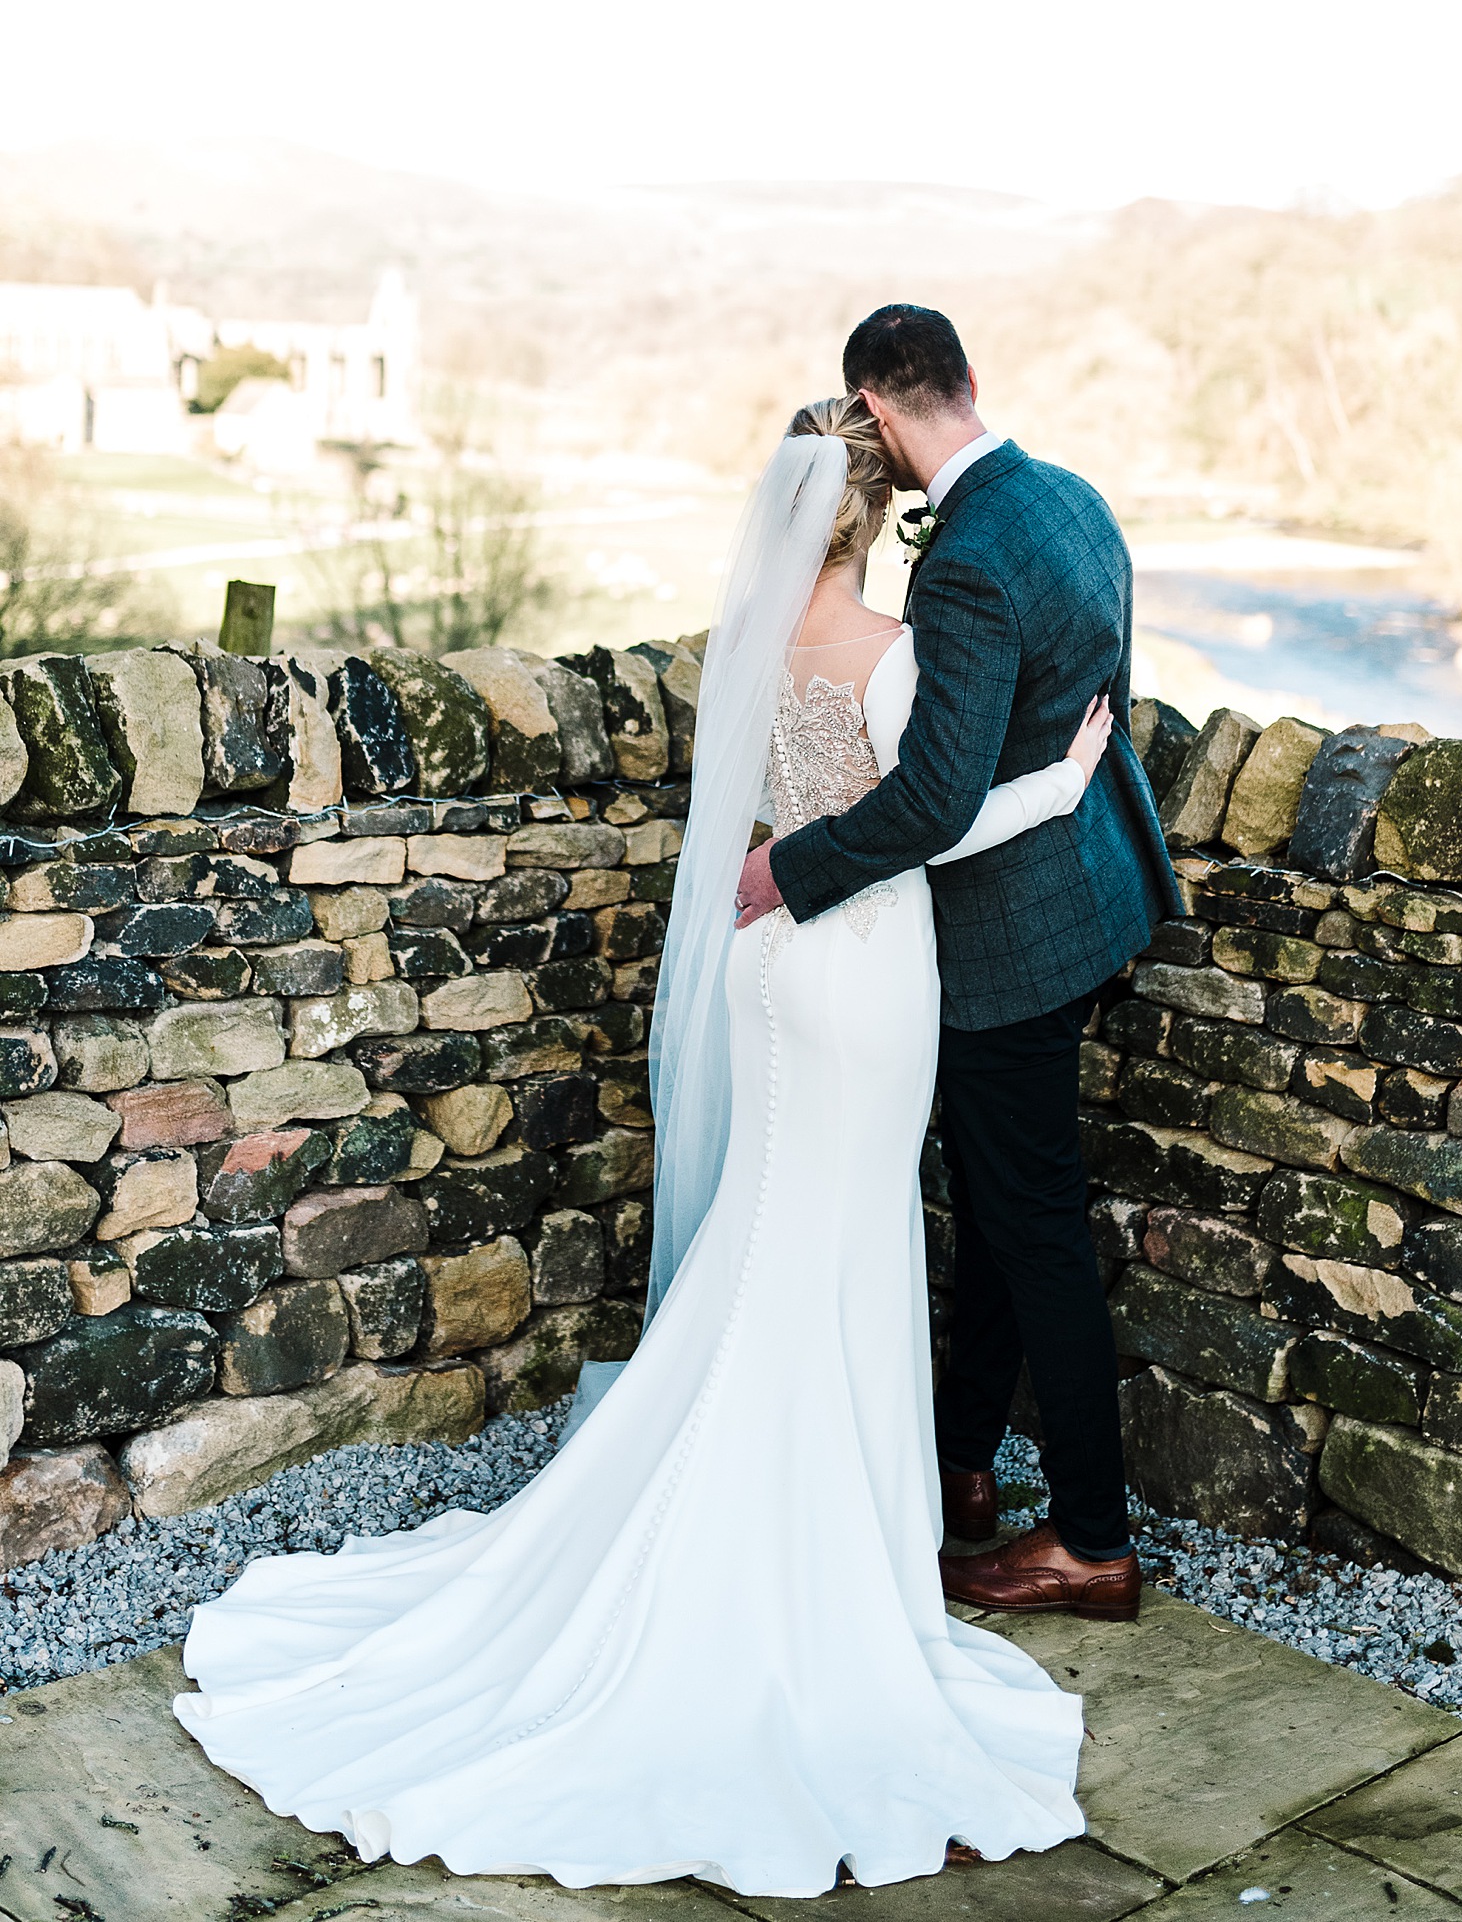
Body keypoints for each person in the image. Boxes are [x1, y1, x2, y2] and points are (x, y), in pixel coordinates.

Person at [173, 390, 1124, 1899]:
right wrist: (1061, 786)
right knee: (841, 1246)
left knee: (773, 1241)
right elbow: (922, 820)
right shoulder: (894, 656)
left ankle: (748, 1517)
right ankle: (815, 1576)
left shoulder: (746, 654)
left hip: (766, 970)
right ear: (883, 515)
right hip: (861, 972)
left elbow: (765, 820)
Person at [737, 302, 1179, 1614]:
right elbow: (1093, 700)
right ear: (966, 382)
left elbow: (930, 799)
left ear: (873, 409)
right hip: (1097, 903)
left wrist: (790, 868)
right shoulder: (1074, 501)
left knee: (1030, 1225)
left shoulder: (966, 562)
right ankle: (965, 1465)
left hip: (1007, 948)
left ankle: (1092, 1538)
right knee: (993, 1210)